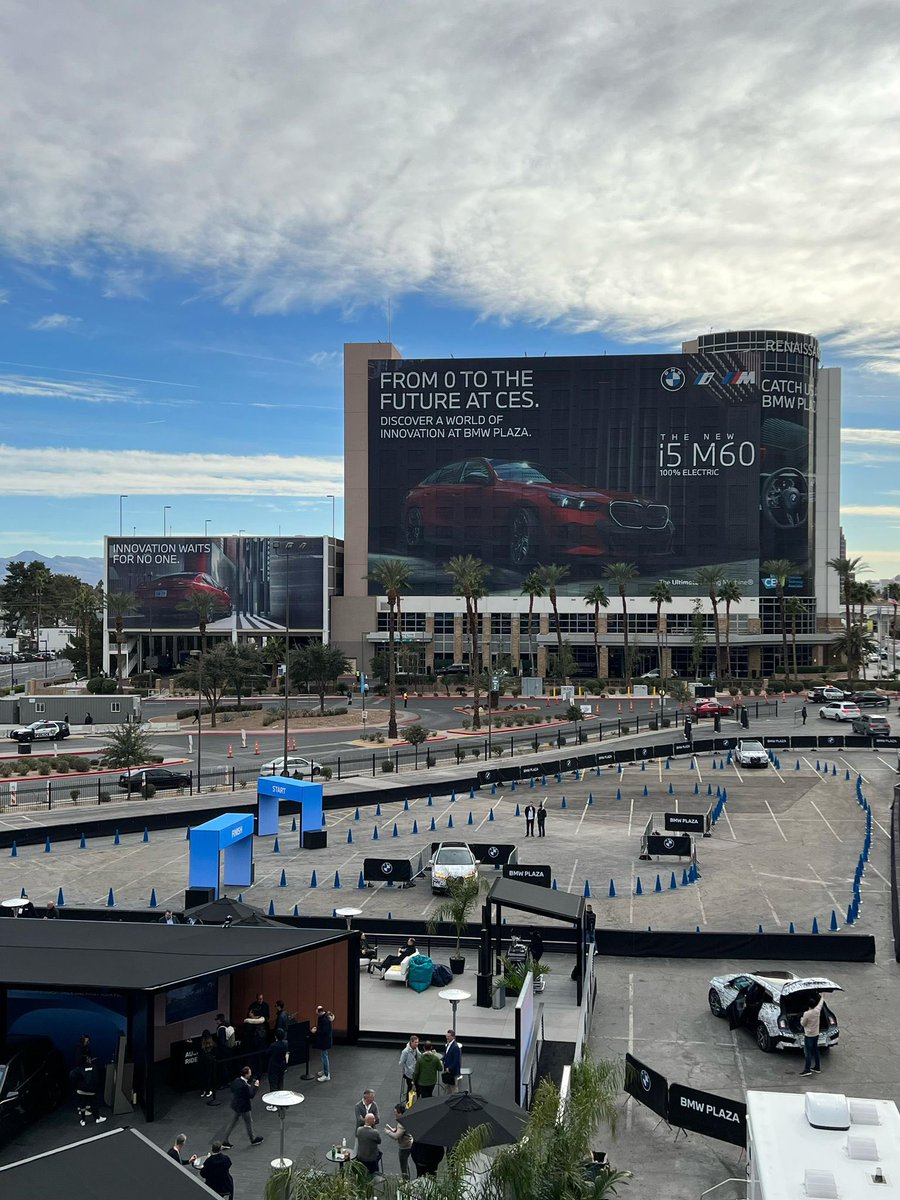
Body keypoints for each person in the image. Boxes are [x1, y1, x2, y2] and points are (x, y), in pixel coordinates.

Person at [220, 1066, 264, 1147]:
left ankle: (225, 1140)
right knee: (249, 1122)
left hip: (236, 1105)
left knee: (232, 1122)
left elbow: (232, 1089)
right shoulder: (244, 1086)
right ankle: (253, 1139)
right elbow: (251, 1095)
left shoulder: (237, 1080)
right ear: (246, 1075)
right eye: (249, 1074)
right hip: (244, 1107)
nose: (250, 1075)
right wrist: (256, 1087)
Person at [73, 1056, 106, 1126]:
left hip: (81, 1091)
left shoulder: (78, 1068)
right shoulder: (93, 1067)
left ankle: (83, 1121)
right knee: (94, 1104)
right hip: (92, 1091)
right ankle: (97, 1118)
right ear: (87, 1060)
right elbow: (97, 1078)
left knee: (82, 1106)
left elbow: (72, 1076)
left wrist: (78, 1085)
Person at [385, 1103, 414, 1178]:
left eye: (395, 1113)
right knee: (406, 1162)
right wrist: (395, 1129)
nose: (394, 1114)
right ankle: (408, 1177)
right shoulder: (406, 1118)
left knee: (403, 1165)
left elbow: (396, 1136)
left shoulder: (401, 1123)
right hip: (409, 1143)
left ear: (400, 1113)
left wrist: (388, 1132)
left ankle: (406, 1182)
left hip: (404, 1147)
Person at [800, 992, 825, 1077]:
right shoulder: (817, 1011)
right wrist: (822, 996)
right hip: (816, 1034)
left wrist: (801, 1019)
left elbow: (803, 1024)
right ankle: (817, 1067)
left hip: (809, 1035)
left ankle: (807, 1069)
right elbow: (821, 1003)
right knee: (815, 1050)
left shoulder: (807, 1014)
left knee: (808, 1053)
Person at [266, 1029, 289, 1105]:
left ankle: (274, 1104)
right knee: (280, 1082)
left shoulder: (273, 1045)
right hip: (282, 1065)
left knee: (273, 1084)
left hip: (273, 1066)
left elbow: (268, 1053)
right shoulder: (286, 1043)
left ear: (275, 1036)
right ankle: (280, 1100)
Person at [312, 1004, 333, 1081]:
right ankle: (324, 1071)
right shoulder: (322, 1017)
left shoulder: (325, 1020)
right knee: (323, 1056)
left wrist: (316, 1031)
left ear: (320, 1012)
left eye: (317, 1012)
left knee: (324, 1057)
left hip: (325, 1041)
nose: (316, 1013)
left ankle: (327, 1075)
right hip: (324, 1040)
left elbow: (324, 1031)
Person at [199, 1029, 219, 1102]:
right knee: (208, 1076)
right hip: (209, 1061)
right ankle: (208, 1091)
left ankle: (202, 1092)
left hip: (201, 1061)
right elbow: (215, 1051)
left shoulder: (201, 1042)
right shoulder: (212, 1043)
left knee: (202, 1076)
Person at [399, 1035, 420, 1102]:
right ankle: (409, 1104)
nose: (417, 1044)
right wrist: (407, 1068)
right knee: (410, 1089)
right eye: (415, 1042)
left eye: (417, 1042)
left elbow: (419, 1055)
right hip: (409, 1074)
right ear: (411, 1042)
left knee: (418, 1088)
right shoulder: (405, 1051)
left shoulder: (416, 1048)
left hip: (416, 1072)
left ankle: (418, 1102)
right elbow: (401, 1062)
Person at [442, 1029, 461, 1093]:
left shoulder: (455, 1047)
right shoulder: (448, 1044)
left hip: (452, 1072)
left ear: (453, 1037)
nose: (447, 1038)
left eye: (449, 1036)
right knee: (448, 1087)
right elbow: (446, 1054)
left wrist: (449, 1068)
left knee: (454, 1088)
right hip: (448, 1071)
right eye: (446, 1036)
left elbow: (456, 1061)